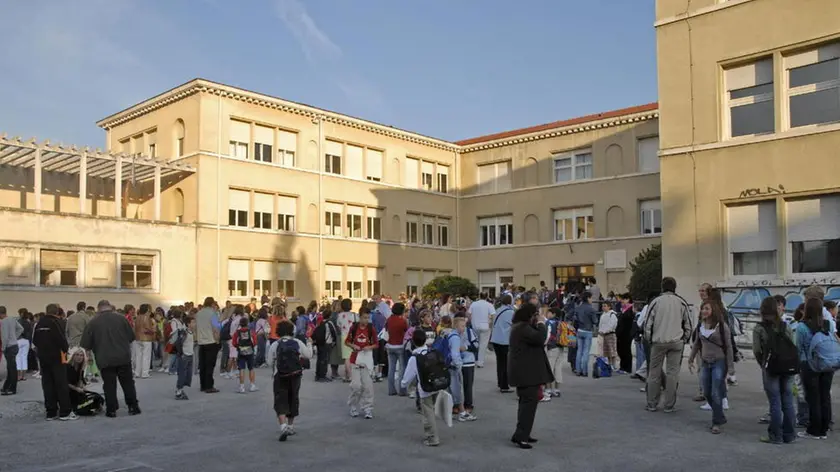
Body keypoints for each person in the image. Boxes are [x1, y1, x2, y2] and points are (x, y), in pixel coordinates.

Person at [80, 300, 140, 418]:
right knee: (128, 383)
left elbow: (86, 344)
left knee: (109, 385)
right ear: (110, 307)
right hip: (123, 357)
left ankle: (111, 409)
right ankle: (133, 407)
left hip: (104, 358)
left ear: (98, 309)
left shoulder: (93, 322)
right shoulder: (122, 319)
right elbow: (131, 337)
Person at [508, 303, 553, 449]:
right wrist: (541, 323)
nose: (538, 317)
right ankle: (521, 437)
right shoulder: (523, 328)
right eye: (535, 315)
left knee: (526, 404)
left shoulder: (521, 327)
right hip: (527, 374)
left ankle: (522, 433)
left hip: (526, 373)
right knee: (528, 405)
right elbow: (540, 338)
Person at [643, 277, 692, 412]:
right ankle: (669, 405)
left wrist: (649, 339)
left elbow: (648, 324)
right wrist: (685, 338)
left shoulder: (656, 302)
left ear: (662, 287)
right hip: (676, 342)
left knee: (654, 373)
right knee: (672, 374)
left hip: (658, 341)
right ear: (675, 287)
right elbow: (688, 324)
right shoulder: (681, 302)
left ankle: (652, 403)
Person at [752, 297, 797, 444]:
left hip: (771, 368)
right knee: (788, 402)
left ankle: (775, 436)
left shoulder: (759, 328)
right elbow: (793, 345)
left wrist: (763, 364)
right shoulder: (785, 326)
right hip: (788, 367)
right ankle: (789, 435)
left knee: (775, 402)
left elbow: (757, 350)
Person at [688, 300, 734, 434]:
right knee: (707, 392)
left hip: (719, 362)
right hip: (705, 362)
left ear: (713, 310)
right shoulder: (700, 326)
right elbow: (697, 343)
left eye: (707, 309)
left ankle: (716, 423)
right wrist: (691, 359)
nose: (704, 311)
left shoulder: (721, 326)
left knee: (715, 392)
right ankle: (720, 416)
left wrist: (730, 367)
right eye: (703, 309)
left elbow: (729, 346)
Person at [796, 297, 834, 440]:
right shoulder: (828, 324)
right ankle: (824, 428)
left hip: (809, 365)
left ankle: (813, 430)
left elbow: (799, 348)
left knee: (813, 398)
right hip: (826, 364)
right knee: (824, 396)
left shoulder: (802, 327)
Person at [269, 320, 311, 442]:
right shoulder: (297, 342)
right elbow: (308, 355)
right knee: (293, 398)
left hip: (280, 375)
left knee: (280, 400)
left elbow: (269, 361)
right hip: (295, 375)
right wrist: (308, 344)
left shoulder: (275, 344)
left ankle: (283, 426)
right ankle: (291, 426)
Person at [32, 303, 75, 420]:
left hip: (43, 358)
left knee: (47, 385)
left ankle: (51, 412)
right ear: (57, 312)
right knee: (61, 384)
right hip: (57, 357)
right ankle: (65, 412)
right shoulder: (57, 322)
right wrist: (66, 350)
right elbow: (61, 339)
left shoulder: (39, 323)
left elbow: (35, 340)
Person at [400, 328, 441, 446]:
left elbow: (407, 377)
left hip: (425, 388)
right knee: (431, 410)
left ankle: (432, 437)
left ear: (413, 342)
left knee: (427, 413)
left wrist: (403, 385)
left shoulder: (415, 358)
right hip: (436, 385)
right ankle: (431, 435)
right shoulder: (431, 351)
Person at [345, 309, 377, 419]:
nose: (366, 320)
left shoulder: (371, 329)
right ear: (360, 317)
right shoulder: (354, 328)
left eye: (368, 318)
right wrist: (353, 346)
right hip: (355, 360)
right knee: (356, 386)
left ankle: (367, 408)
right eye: (364, 318)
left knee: (368, 386)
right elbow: (347, 341)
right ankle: (353, 405)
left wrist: (369, 347)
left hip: (366, 360)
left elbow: (376, 344)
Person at [66, 347, 104, 415]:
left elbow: (81, 381)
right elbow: (65, 383)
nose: (79, 357)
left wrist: (82, 386)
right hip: (69, 394)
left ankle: (90, 407)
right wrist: (76, 388)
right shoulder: (68, 367)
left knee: (98, 397)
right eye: (77, 355)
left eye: (81, 355)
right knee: (84, 407)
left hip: (78, 393)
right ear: (73, 356)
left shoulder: (81, 368)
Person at [195, 297, 222, 394]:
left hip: (201, 342)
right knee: (210, 365)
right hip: (211, 341)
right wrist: (218, 340)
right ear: (212, 304)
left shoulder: (198, 313)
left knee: (202, 365)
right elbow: (216, 328)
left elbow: (195, 327)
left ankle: (203, 385)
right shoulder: (213, 314)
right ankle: (209, 386)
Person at [455, 313, 479, 420]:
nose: (463, 328)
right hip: (457, 362)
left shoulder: (469, 332)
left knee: (468, 385)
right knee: (456, 385)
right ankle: (457, 405)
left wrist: (466, 347)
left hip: (468, 361)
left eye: (464, 325)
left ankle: (468, 405)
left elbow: (476, 345)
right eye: (461, 326)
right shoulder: (453, 334)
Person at [490, 294, 514, 393]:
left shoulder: (498, 310)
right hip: (505, 340)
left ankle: (501, 383)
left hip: (496, 339)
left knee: (500, 363)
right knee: (505, 363)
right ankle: (504, 385)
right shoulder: (510, 312)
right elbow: (514, 324)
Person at [385, 302, 409, 396]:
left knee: (391, 368)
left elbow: (386, 330)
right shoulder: (403, 321)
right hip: (400, 345)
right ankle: (402, 390)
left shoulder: (389, 320)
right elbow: (406, 331)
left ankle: (391, 389)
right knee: (402, 369)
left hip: (390, 345)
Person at [573, 292, 598, 377]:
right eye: (591, 298)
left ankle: (578, 370)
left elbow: (574, 319)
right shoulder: (591, 309)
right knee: (586, 352)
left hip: (579, 330)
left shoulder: (578, 308)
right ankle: (584, 371)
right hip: (588, 331)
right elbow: (595, 321)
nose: (592, 300)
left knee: (579, 351)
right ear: (588, 298)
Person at [468, 292, 496, 369]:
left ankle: (474, 359)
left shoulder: (474, 304)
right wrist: (492, 325)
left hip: (475, 326)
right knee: (483, 345)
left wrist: (471, 322)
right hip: (485, 326)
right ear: (487, 297)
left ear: (479, 296)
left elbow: (469, 314)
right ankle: (480, 362)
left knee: (475, 343)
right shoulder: (489, 305)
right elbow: (493, 315)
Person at [0, 306, 23, 395]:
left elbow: (4, 337)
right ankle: (7, 386)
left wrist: (3, 348)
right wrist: (14, 337)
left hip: (9, 347)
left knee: (11, 368)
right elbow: (21, 329)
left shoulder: (3, 322)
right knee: (11, 367)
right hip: (14, 345)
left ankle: (12, 388)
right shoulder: (12, 319)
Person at [232, 316, 258, 393]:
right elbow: (255, 342)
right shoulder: (251, 332)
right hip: (250, 351)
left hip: (241, 351)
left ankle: (242, 387)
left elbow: (234, 343)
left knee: (241, 369)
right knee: (251, 368)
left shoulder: (237, 332)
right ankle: (252, 385)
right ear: (247, 323)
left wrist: (238, 347)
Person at [336, 299, 358, 383]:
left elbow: (338, 326)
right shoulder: (355, 315)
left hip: (344, 336)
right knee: (353, 356)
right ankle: (348, 375)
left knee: (346, 357)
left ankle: (349, 376)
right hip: (354, 336)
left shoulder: (340, 315)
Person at [174, 314, 195, 400]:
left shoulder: (191, 332)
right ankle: (179, 391)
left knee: (188, 375)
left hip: (190, 355)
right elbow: (178, 344)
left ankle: (181, 389)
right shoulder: (184, 332)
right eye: (193, 322)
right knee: (182, 374)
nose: (194, 324)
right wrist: (181, 354)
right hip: (184, 356)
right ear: (188, 324)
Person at [132, 304, 155, 379]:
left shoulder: (137, 317)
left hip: (137, 338)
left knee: (138, 356)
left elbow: (135, 328)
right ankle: (145, 373)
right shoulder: (146, 317)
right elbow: (149, 328)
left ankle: (137, 372)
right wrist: (153, 329)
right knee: (146, 356)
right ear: (147, 310)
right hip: (146, 338)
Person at [616, 294, 635, 374]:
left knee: (626, 350)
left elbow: (628, 321)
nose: (622, 301)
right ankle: (622, 366)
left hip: (626, 333)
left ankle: (627, 368)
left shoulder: (630, 309)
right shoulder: (623, 309)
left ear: (628, 300)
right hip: (620, 333)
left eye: (624, 300)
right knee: (620, 350)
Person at [598, 301, 619, 371]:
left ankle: (613, 364)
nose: (603, 307)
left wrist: (606, 330)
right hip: (604, 335)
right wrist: (601, 331)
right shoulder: (603, 314)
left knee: (612, 350)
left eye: (605, 306)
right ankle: (609, 364)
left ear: (609, 307)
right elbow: (601, 324)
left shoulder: (612, 314)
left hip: (610, 334)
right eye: (603, 306)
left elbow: (613, 325)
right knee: (606, 351)